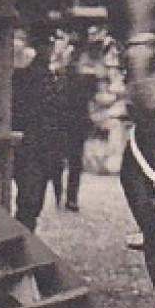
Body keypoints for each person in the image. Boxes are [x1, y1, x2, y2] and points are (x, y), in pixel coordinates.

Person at [12, 26, 67, 232]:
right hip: (30, 145)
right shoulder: (28, 75)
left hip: (44, 146)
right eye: (49, 44)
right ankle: (22, 240)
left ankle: (25, 237)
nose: (51, 49)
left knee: (33, 201)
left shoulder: (51, 75)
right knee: (29, 199)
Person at [62, 37, 99, 212]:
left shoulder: (64, 73)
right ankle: (70, 198)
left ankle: (68, 196)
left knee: (69, 162)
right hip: (74, 122)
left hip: (69, 122)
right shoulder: (86, 77)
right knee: (73, 162)